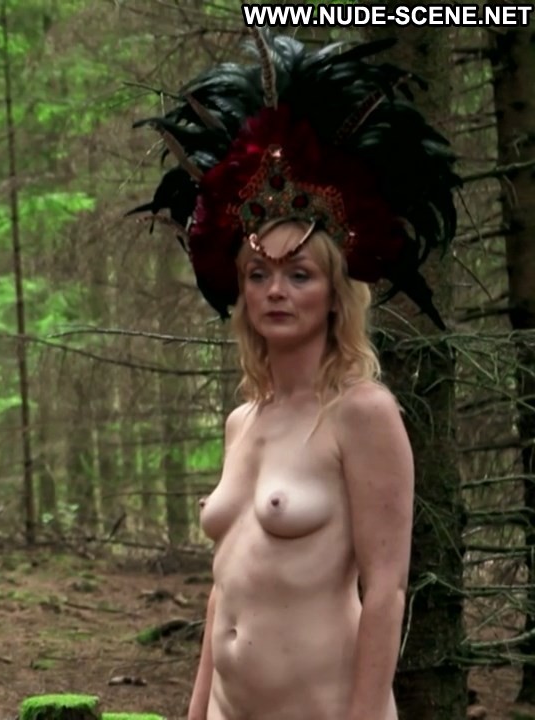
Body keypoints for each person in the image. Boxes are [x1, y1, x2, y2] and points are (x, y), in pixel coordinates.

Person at [127, 29, 461, 720]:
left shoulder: (361, 412)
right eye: (259, 274)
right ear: (241, 292)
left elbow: (387, 590)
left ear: (336, 293)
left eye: (299, 274)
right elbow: (226, 587)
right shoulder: (242, 420)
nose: (276, 290)